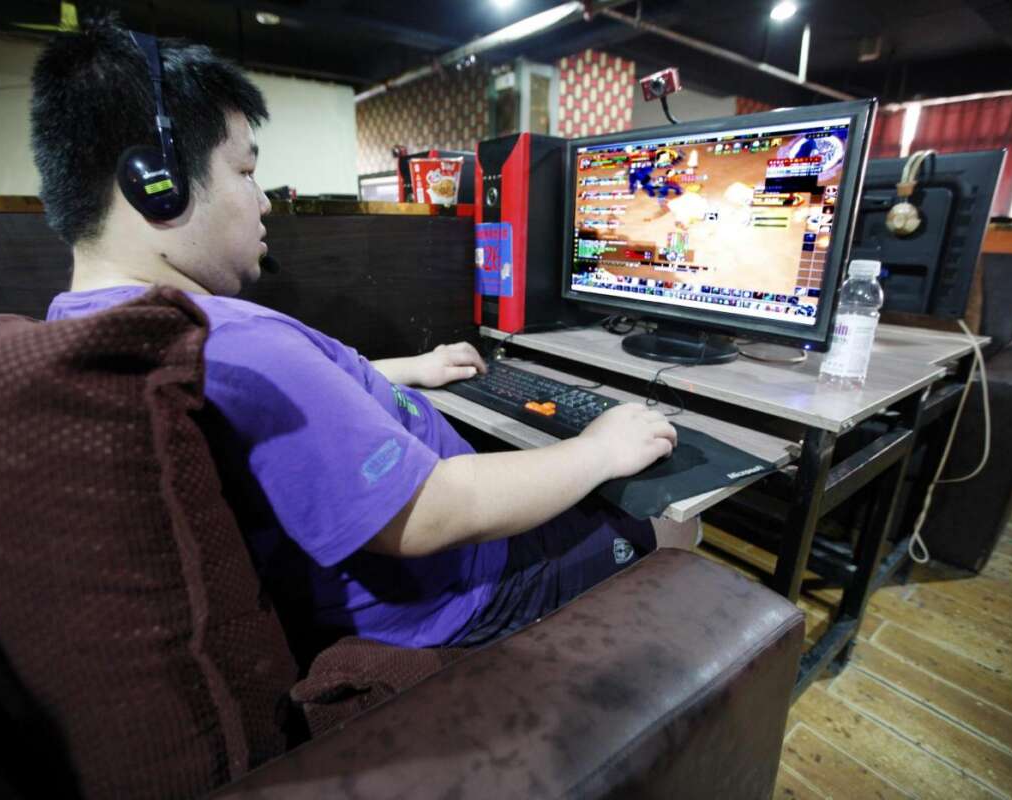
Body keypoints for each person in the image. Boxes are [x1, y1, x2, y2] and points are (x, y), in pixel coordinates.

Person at [34, 17, 678, 651]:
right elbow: (429, 514)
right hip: (466, 589)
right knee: (672, 526)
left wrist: (410, 368)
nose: (263, 201)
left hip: (394, 587)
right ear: (158, 182)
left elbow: (284, 407)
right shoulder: (239, 343)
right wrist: (599, 451)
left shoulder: (89, 319)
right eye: (245, 172)